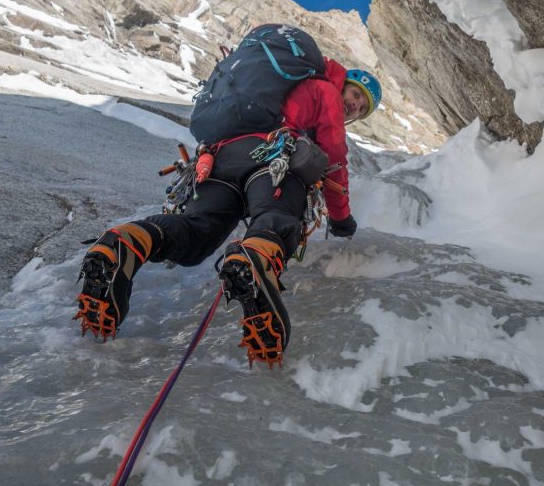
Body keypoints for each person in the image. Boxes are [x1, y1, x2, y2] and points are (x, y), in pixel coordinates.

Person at [74, 36, 382, 367]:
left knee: (196, 234)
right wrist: (341, 218)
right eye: (355, 95)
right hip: (277, 157)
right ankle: (255, 260)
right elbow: (334, 159)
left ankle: (126, 242)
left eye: (363, 109)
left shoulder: (275, 89)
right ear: (343, 83)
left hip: (221, 158)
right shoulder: (324, 92)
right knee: (276, 217)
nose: (355, 106)